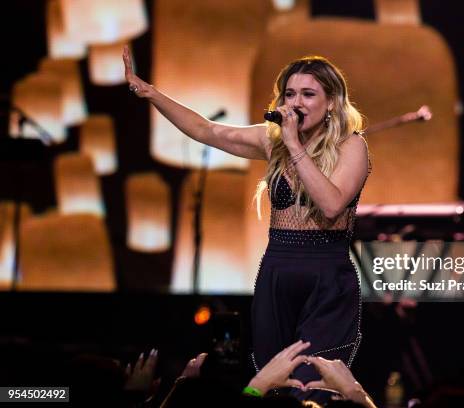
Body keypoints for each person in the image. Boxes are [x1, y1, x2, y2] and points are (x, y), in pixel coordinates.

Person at [123, 48, 377, 401]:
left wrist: (293, 145)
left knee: (312, 388)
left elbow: (332, 204)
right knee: (273, 385)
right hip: (277, 270)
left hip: (327, 279)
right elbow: (205, 129)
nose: (296, 102)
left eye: (308, 94)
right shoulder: (272, 141)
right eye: (290, 94)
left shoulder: (351, 146)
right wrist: (151, 93)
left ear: (332, 102)